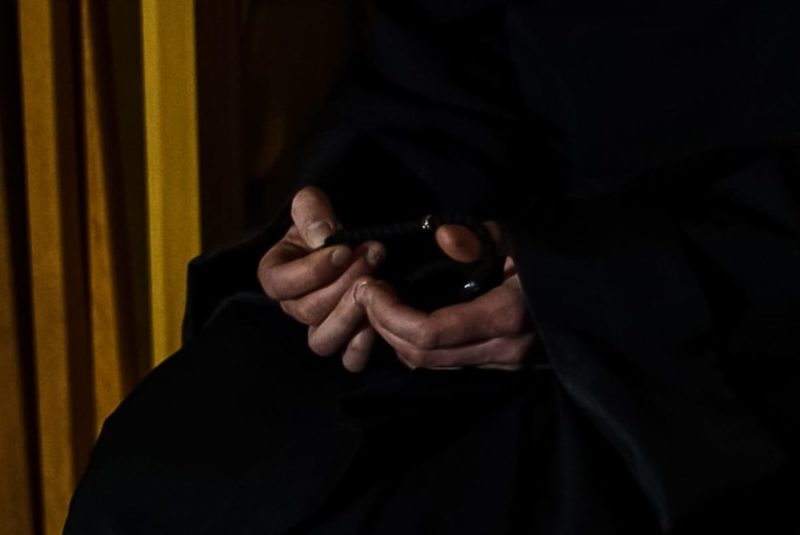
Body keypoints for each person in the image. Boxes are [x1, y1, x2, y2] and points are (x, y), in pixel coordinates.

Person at [66, 0, 799, 533]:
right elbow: (441, 77)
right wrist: (347, 240)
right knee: (165, 469)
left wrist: (592, 287)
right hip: (502, 247)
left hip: (734, 310)